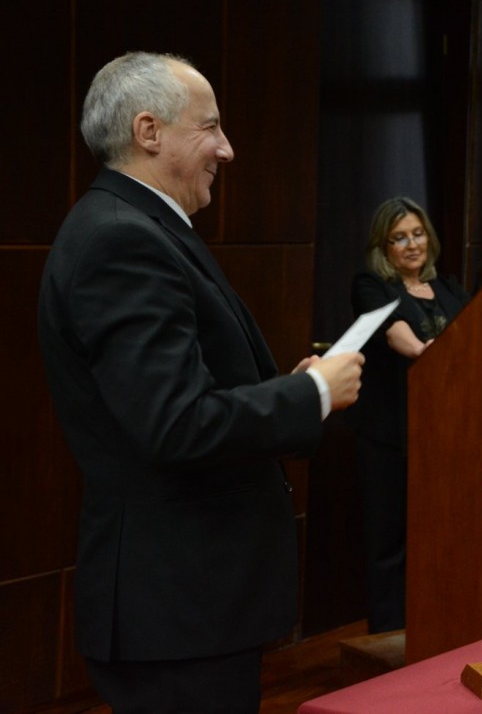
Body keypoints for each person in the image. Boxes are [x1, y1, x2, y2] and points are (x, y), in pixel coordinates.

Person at [37, 52, 365, 712]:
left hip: (186, 608)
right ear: (149, 131)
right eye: (210, 127)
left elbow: (178, 395)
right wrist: (313, 395)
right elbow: (175, 423)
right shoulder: (121, 241)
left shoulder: (137, 227)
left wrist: (285, 390)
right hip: (175, 609)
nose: (228, 148)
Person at [350, 196, 470, 632]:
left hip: (445, 434)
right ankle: (389, 632)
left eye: (417, 234)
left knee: (440, 534)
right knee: (390, 539)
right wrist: (429, 352)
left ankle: (437, 624)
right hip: (390, 434)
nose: (412, 244)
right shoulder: (371, 286)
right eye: (399, 238)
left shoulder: (451, 288)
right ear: (384, 247)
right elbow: (398, 334)